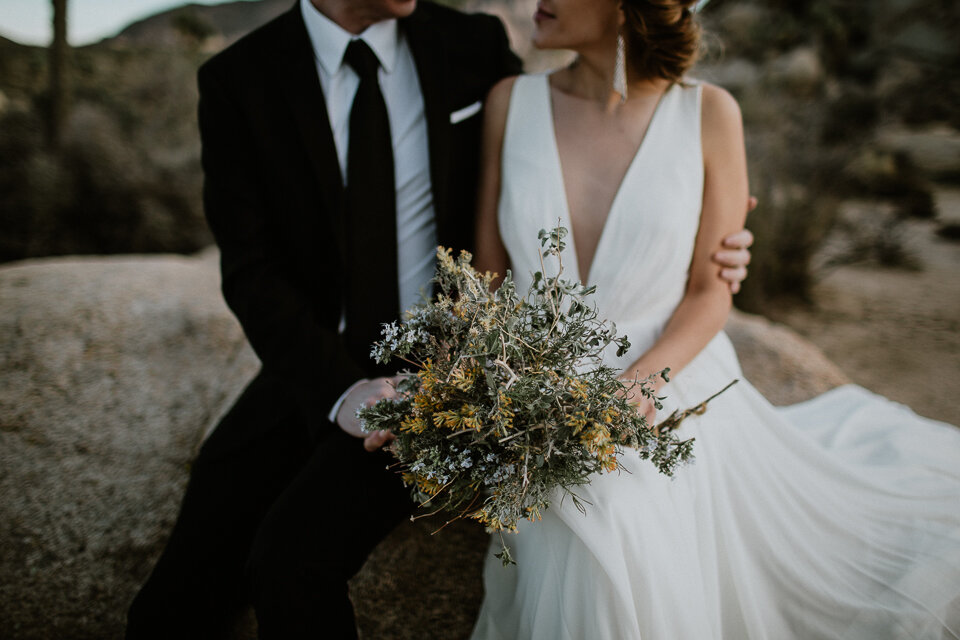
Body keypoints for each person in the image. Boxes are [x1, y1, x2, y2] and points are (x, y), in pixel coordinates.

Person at [125, 0, 753, 638]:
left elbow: (588, 152)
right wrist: (341, 390)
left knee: (289, 563)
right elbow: (252, 273)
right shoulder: (240, 79)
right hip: (320, 363)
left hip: (450, 364)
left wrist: (706, 221)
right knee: (167, 609)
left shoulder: (469, 46)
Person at [470, 1, 960, 638]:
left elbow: (710, 290)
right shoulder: (510, 103)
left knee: (615, 507)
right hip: (537, 390)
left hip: (669, 378)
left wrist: (641, 384)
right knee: (578, 509)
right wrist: (495, 390)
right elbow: (485, 279)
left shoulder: (708, 113)